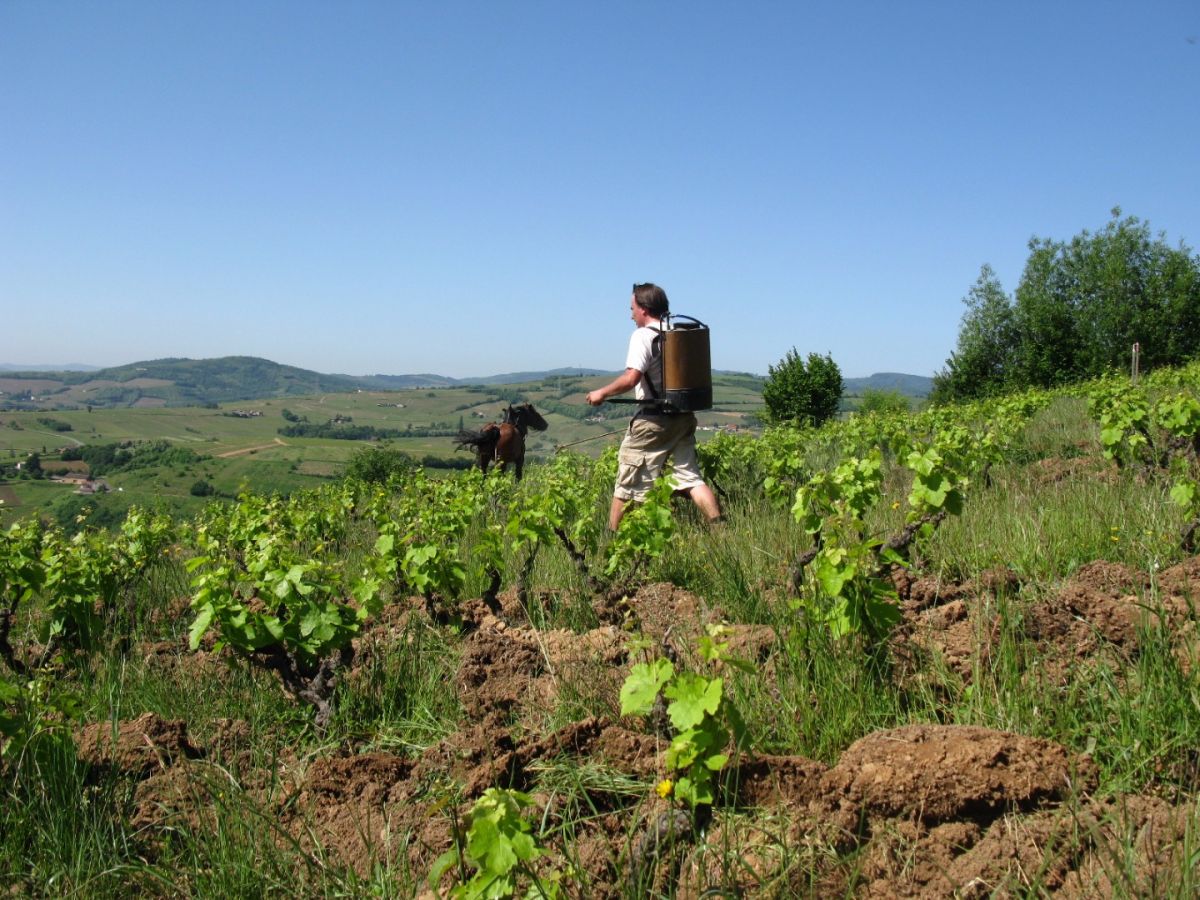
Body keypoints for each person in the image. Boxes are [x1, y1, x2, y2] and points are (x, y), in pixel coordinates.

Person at [585, 283, 723, 530]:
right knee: (690, 479)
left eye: (632, 309)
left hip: (652, 422)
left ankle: (613, 541)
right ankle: (720, 528)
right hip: (683, 418)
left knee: (625, 485)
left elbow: (631, 378)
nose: (631, 315)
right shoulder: (676, 333)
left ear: (644, 309)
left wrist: (601, 393)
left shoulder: (643, 336)